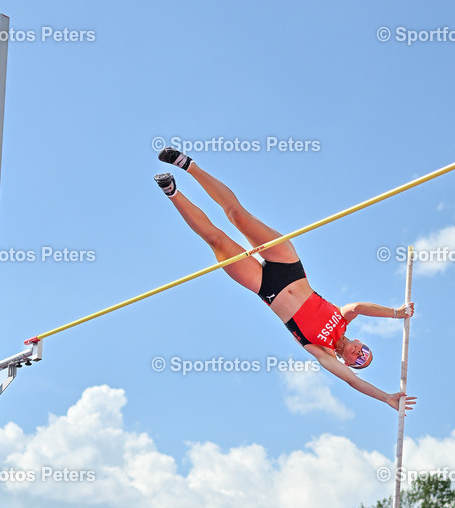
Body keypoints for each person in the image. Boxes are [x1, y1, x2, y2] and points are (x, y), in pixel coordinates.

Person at [155, 150, 416, 412]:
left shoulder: (323, 352)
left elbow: (352, 382)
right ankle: (189, 166)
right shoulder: (342, 318)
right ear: (360, 341)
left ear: (348, 362)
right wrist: (396, 313)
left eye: (359, 359)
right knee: (238, 215)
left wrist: (386, 398)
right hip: (288, 266)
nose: (358, 352)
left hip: (266, 289)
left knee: (216, 240)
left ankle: (172, 192)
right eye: (364, 350)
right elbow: (359, 307)